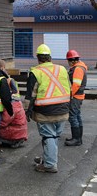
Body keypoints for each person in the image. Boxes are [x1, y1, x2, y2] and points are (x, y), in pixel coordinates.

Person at [25, 44, 70, 173]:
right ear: (50, 57)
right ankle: (47, 158)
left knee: (48, 136)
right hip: (63, 108)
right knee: (54, 136)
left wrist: (27, 111)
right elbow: (69, 88)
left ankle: (50, 164)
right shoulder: (61, 69)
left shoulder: (36, 72)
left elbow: (30, 95)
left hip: (45, 111)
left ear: (38, 58)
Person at [65, 49, 87, 146]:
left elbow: (76, 85)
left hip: (76, 96)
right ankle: (78, 138)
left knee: (73, 116)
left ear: (71, 60)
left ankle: (76, 139)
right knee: (77, 115)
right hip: (78, 96)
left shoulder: (78, 69)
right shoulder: (79, 67)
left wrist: (70, 96)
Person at [0, 77, 28, 148]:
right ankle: (14, 140)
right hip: (20, 131)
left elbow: (4, 122)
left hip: (16, 132)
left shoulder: (12, 105)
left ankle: (12, 141)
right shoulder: (17, 101)